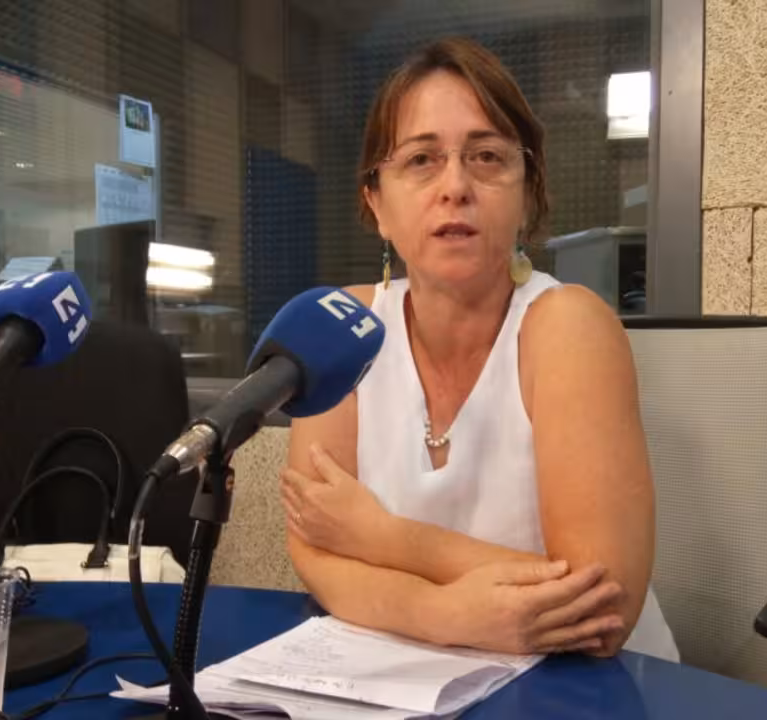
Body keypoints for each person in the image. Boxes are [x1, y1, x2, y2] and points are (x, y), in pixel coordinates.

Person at [280, 36, 678, 662]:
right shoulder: (343, 328)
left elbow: (601, 607)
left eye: (487, 156)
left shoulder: (568, 326)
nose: (456, 186)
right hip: (414, 676)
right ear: (376, 202)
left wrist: (384, 538)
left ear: (527, 193)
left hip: (587, 684)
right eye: (421, 160)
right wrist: (441, 613)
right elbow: (316, 550)